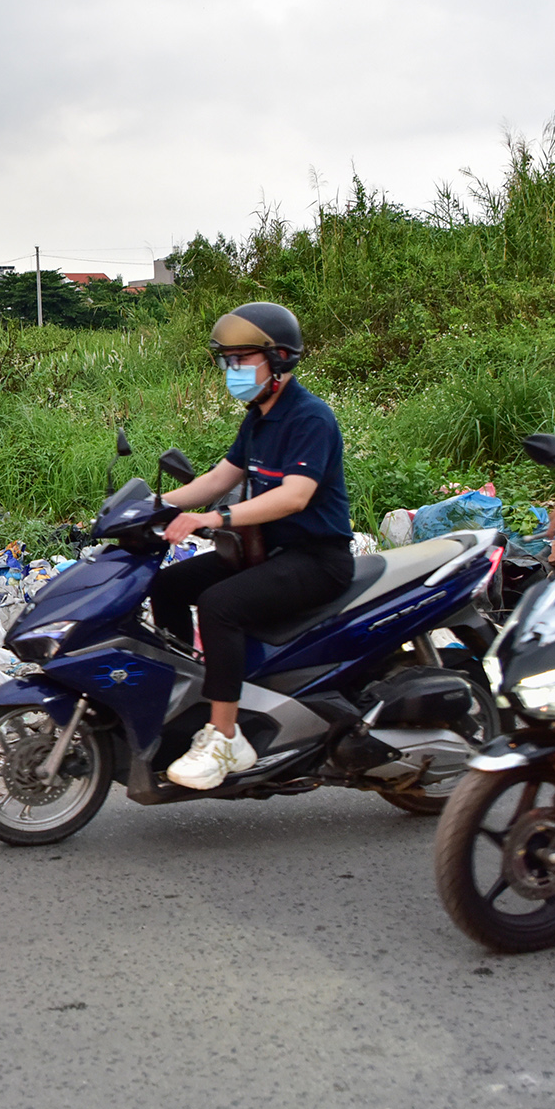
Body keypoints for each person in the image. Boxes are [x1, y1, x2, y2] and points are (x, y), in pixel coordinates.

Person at [147, 302, 355, 790]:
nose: (231, 371)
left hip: (316, 559)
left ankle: (224, 737)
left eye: (241, 360)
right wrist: (147, 509)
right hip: (268, 554)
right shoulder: (259, 417)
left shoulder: (310, 417)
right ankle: (194, 702)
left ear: (278, 359)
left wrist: (212, 518)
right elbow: (221, 476)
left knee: (221, 605)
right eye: (227, 362)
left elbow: (294, 495)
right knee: (168, 586)